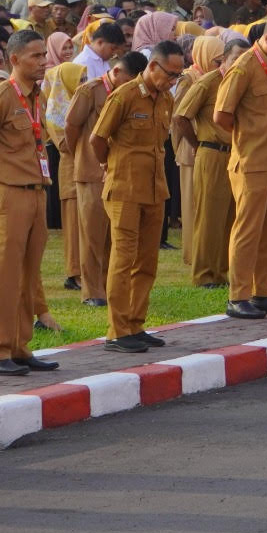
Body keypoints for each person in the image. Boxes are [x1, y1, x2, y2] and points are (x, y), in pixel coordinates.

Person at [0, 31, 61, 376]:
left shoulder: (37, 96)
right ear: (15, 60)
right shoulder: (1, 96)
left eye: (43, 56)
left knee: (27, 274)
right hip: (6, 193)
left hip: (35, 191)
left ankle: (20, 346)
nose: (43, 62)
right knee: (3, 275)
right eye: (35, 56)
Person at [92, 41, 182, 353]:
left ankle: (135, 323)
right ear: (153, 67)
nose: (172, 80)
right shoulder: (125, 95)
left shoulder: (166, 98)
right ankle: (117, 330)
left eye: (177, 76)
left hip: (155, 189)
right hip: (125, 189)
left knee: (147, 260)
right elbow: (98, 138)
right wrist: (110, 165)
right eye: (170, 74)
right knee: (122, 258)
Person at [213, 13, 267, 319]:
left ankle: (261, 293)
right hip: (252, 163)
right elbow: (222, 116)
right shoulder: (243, 68)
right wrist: (249, 139)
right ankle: (238, 296)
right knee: (248, 230)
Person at [66, 53, 140, 307]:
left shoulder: (129, 93)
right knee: (92, 233)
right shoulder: (90, 90)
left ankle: (111, 287)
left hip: (117, 171)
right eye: (130, 80)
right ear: (117, 72)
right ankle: (92, 292)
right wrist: (80, 154)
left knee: (114, 233)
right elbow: (71, 126)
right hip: (91, 171)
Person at [174, 39, 248, 288]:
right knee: (208, 216)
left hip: (235, 154)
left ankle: (221, 271)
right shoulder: (208, 82)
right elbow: (181, 117)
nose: (239, 63)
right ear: (223, 60)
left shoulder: (242, 83)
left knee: (230, 215)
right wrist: (199, 145)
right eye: (235, 58)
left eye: (244, 58)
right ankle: (204, 274)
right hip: (212, 153)